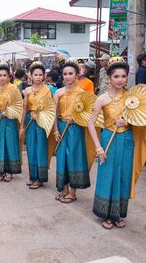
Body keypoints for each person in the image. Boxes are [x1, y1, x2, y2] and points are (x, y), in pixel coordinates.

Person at [87, 57, 146, 230]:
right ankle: (106, 213)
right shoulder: (101, 99)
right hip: (108, 139)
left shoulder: (132, 99)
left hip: (127, 139)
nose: (120, 79)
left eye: (123, 76)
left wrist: (128, 122)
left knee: (123, 175)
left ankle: (118, 214)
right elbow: (90, 124)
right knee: (108, 174)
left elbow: (138, 119)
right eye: (116, 76)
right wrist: (98, 147)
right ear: (109, 77)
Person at [53, 60, 91, 203]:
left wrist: (75, 120)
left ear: (77, 75)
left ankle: (73, 193)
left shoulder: (82, 93)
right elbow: (54, 113)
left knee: (73, 158)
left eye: (71, 73)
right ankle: (64, 189)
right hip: (62, 127)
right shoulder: (59, 92)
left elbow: (86, 114)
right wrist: (56, 130)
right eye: (65, 74)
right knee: (62, 157)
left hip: (75, 129)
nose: (67, 76)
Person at [20, 62, 54, 189]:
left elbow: (50, 109)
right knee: (31, 149)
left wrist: (39, 116)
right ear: (31, 76)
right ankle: (33, 176)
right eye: (36, 74)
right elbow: (24, 108)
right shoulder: (27, 90)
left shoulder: (47, 90)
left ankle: (40, 178)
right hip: (29, 120)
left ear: (44, 76)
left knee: (40, 149)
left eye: (40, 75)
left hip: (41, 122)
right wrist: (22, 125)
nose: (38, 77)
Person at [0, 63, 22, 182]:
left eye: (4, 75)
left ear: (9, 76)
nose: (2, 78)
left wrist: (8, 111)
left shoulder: (14, 88)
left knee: (10, 143)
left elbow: (19, 106)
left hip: (10, 118)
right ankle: (1, 170)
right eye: (0, 75)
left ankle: (10, 171)